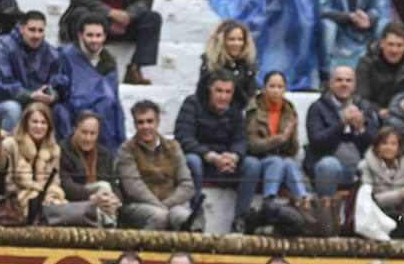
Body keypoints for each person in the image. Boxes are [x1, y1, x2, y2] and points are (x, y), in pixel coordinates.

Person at [176, 70, 263, 233]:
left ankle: (241, 219)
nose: (223, 96)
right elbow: (183, 137)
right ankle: (197, 215)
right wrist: (211, 156)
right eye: (219, 91)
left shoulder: (235, 109)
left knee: (252, 164)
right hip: (202, 162)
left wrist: (234, 156)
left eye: (228, 92)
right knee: (191, 160)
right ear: (210, 89)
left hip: (226, 165)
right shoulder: (192, 104)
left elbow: (241, 140)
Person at [116, 99, 196, 231]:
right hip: (137, 206)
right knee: (158, 217)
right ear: (135, 125)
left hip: (171, 204)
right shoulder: (127, 149)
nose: (145, 126)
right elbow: (134, 188)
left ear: (157, 122)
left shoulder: (173, 147)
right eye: (140, 122)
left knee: (185, 217)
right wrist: (161, 207)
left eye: (149, 121)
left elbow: (187, 185)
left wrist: (165, 205)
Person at [50, 12, 124, 148]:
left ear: (105, 36)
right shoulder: (65, 55)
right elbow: (59, 87)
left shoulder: (108, 60)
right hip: (72, 109)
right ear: (80, 35)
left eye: (98, 36)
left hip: (100, 112)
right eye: (90, 35)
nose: (94, 40)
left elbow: (112, 95)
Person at [305, 65, 378, 198]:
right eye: (339, 80)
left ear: (355, 85)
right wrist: (341, 124)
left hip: (359, 170)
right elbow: (317, 143)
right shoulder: (317, 108)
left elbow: (375, 145)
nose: (344, 84)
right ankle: (325, 211)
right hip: (328, 171)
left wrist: (361, 129)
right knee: (329, 165)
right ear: (330, 84)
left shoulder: (364, 106)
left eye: (348, 80)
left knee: (373, 166)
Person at [0, 10, 59, 132]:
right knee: (13, 109)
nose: (36, 35)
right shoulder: (3, 45)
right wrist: (29, 95)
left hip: (37, 101)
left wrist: (52, 95)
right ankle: (7, 149)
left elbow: (57, 81)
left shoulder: (50, 52)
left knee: (60, 110)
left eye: (40, 31)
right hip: (6, 101)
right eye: (32, 30)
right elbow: (1, 84)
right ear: (21, 29)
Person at [246, 70, 310, 202]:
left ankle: (304, 201)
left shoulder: (289, 109)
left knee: (289, 163)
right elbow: (253, 145)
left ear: (285, 89)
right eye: (272, 86)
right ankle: (269, 202)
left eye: (280, 87)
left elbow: (293, 151)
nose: (276, 91)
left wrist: (291, 138)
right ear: (264, 88)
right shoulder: (253, 109)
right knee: (277, 162)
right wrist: (281, 138)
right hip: (259, 160)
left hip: (282, 159)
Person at [59, 110, 121, 226]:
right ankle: (110, 226)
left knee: (105, 190)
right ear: (75, 130)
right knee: (103, 186)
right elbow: (65, 184)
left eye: (93, 134)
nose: (88, 138)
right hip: (75, 201)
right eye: (84, 133)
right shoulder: (63, 150)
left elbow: (113, 183)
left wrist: (116, 200)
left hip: (100, 202)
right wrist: (91, 197)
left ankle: (108, 224)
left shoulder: (105, 154)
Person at [2, 100, 66, 213]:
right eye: (34, 122)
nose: (39, 126)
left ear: (49, 126)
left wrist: (51, 196)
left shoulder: (55, 149)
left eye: (43, 122)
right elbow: (9, 184)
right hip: (18, 199)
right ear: (26, 123)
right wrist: (36, 196)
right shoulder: (10, 144)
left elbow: (55, 182)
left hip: (46, 197)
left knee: (63, 209)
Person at [357, 22, 404, 119]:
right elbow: (361, 98)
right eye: (391, 44)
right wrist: (379, 111)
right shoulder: (366, 63)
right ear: (382, 44)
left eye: (399, 45)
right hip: (375, 115)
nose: (394, 50)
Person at [360, 126, 404, 224]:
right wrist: (399, 195)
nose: (389, 147)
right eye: (384, 143)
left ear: (399, 147)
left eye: (393, 144)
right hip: (373, 217)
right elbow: (369, 200)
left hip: (398, 218)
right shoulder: (365, 166)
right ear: (377, 146)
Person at [197, 19, 259, 104]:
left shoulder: (248, 65)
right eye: (231, 39)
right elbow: (202, 95)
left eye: (240, 39)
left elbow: (251, 96)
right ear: (221, 41)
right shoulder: (211, 64)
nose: (236, 43)